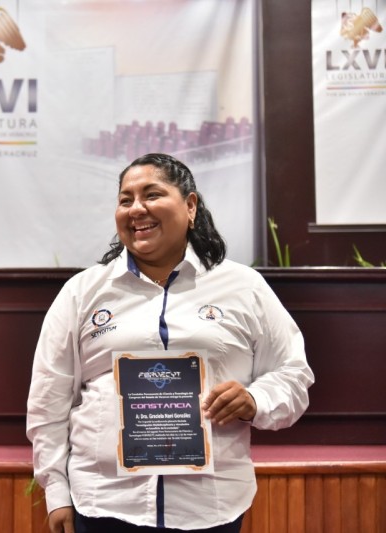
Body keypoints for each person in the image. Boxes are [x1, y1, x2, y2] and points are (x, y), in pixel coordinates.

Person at [26, 153, 314, 533]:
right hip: (104, 503)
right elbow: (48, 400)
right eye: (125, 200)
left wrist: (255, 400)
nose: (136, 209)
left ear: (190, 206)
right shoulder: (82, 292)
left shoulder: (244, 287)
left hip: (209, 508)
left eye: (152, 194)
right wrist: (56, 491)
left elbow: (293, 374)